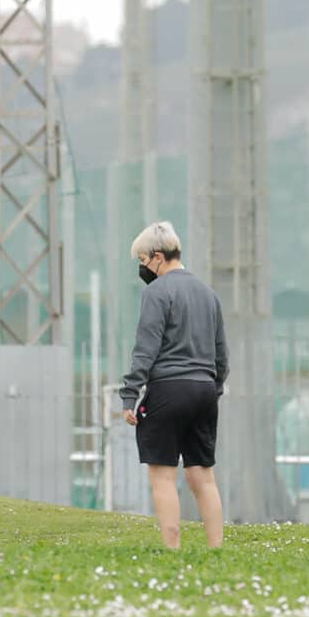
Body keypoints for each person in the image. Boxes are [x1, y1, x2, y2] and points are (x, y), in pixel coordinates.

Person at [118, 222, 226, 550]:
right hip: (204, 390)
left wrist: (130, 394)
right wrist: (214, 388)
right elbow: (221, 353)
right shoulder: (208, 293)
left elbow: (146, 348)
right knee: (202, 475)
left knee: (163, 475)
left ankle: (172, 549)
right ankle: (216, 547)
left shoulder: (156, 293)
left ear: (158, 257)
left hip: (168, 390)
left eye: (142, 260)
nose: (142, 268)